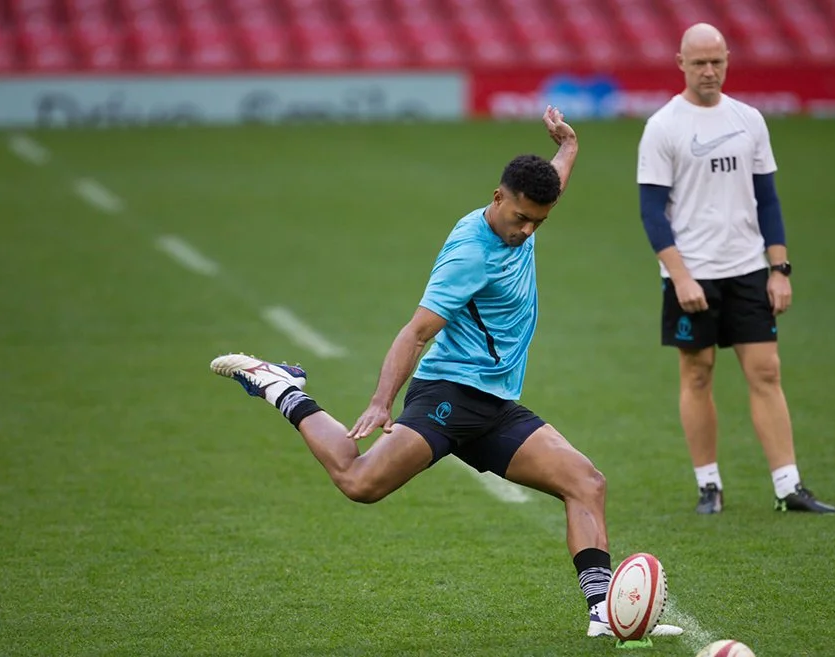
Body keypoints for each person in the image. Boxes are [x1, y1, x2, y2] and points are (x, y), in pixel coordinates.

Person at [211, 107, 683, 638]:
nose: (527, 231)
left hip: (495, 404)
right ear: (497, 197)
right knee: (360, 482)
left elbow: (552, 186)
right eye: (520, 218)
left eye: (538, 222)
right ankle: (283, 388)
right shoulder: (470, 255)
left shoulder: (522, 215)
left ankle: (603, 610)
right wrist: (380, 402)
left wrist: (568, 147)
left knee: (586, 482)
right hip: (449, 396)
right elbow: (415, 332)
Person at [636, 23, 835, 515]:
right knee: (698, 374)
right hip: (693, 274)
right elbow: (651, 211)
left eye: (716, 61)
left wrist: (779, 268)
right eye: (699, 62)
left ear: (728, 60)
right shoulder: (663, 126)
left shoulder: (750, 120)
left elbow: (767, 200)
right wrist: (680, 275)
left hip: (748, 269)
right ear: (680, 63)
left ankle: (788, 486)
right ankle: (709, 485)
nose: (708, 71)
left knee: (766, 371)